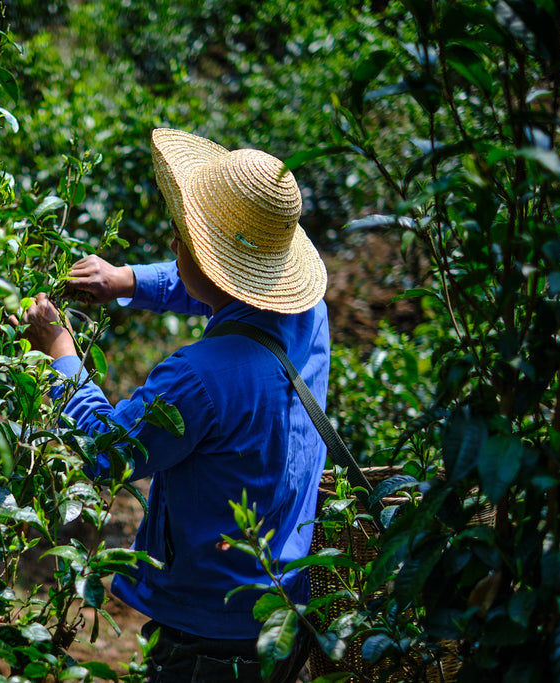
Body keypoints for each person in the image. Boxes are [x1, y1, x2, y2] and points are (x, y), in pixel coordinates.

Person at [19, 128, 329, 682]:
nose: (173, 246)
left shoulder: (201, 378)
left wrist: (59, 351)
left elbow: (105, 450)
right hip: (285, 613)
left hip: (209, 634)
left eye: (181, 239)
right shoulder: (308, 311)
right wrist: (129, 281)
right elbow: (221, 286)